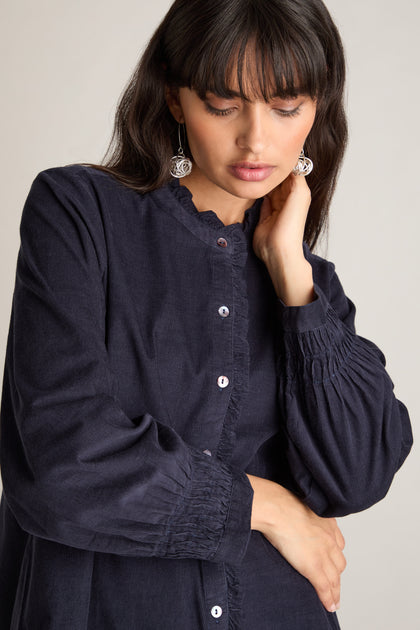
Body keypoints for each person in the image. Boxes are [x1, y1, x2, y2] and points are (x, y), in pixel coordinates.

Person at [0, 0, 413, 628]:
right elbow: (62, 460)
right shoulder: (81, 214)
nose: (255, 139)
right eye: (223, 106)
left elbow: (358, 474)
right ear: (174, 98)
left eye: (286, 107)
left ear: (316, 111)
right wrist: (261, 505)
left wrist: (293, 278)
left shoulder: (310, 285)